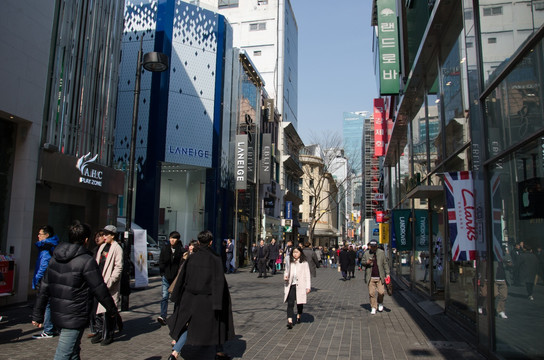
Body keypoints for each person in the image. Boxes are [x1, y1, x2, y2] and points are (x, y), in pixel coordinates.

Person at [32, 222, 119, 359]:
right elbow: (99, 289)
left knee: (73, 352)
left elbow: (44, 287)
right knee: (63, 354)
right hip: (75, 315)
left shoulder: (55, 257)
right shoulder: (86, 261)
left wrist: (37, 313)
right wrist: (112, 310)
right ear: (86, 240)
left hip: (58, 312)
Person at [167, 230, 235, 360]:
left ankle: (175, 353)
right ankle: (219, 352)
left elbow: (182, 278)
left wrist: (176, 296)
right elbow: (219, 282)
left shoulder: (192, 258)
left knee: (189, 326)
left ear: (198, 242)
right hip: (208, 300)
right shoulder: (215, 259)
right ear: (210, 242)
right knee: (217, 324)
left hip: (190, 298)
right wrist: (219, 301)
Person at [91, 225, 123, 345]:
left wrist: (110, 281)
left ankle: (109, 334)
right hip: (99, 282)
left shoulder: (117, 248)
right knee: (98, 310)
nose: (104, 237)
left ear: (113, 235)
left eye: (106, 234)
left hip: (110, 285)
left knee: (109, 311)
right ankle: (99, 331)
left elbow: (118, 267)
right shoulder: (102, 247)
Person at [32, 225, 59, 339]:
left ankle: (49, 329)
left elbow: (44, 265)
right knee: (49, 304)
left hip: (45, 279)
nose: (38, 236)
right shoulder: (51, 245)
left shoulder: (46, 247)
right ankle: (51, 328)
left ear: (47, 235)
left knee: (47, 304)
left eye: (40, 234)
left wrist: (37, 278)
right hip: (50, 279)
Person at [158, 231, 185, 326]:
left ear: (178, 239)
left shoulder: (181, 250)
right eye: (171, 238)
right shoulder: (165, 249)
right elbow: (161, 261)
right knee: (164, 297)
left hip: (176, 278)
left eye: (174, 238)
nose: (172, 240)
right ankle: (163, 316)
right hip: (166, 276)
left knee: (175, 298)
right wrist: (162, 272)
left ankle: (175, 316)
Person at [283, 246, 311, 329]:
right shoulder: (289, 261)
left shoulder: (304, 262)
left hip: (301, 285)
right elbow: (286, 270)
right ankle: (290, 320)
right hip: (291, 284)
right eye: (294, 252)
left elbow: (307, 275)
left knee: (299, 303)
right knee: (290, 303)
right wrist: (285, 276)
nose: (295, 254)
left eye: (297, 252)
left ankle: (299, 315)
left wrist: (308, 287)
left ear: (300, 253)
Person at [362, 240, 390, 314]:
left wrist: (387, 273)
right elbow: (362, 262)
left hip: (380, 276)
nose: (373, 248)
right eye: (371, 246)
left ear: (377, 246)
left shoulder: (381, 253)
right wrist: (366, 262)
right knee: (372, 293)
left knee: (381, 292)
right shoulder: (366, 253)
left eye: (374, 246)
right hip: (370, 277)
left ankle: (380, 302)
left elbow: (385, 263)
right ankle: (373, 307)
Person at [89, 230, 105, 337]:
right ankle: (94, 328)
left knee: (101, 307)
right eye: (96, 236)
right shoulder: (94, 251)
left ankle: (100, 329)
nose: (97, 238)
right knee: (92, 307)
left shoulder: (108, 250)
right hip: (93, 282)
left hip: (102, 282)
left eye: (99, 236)